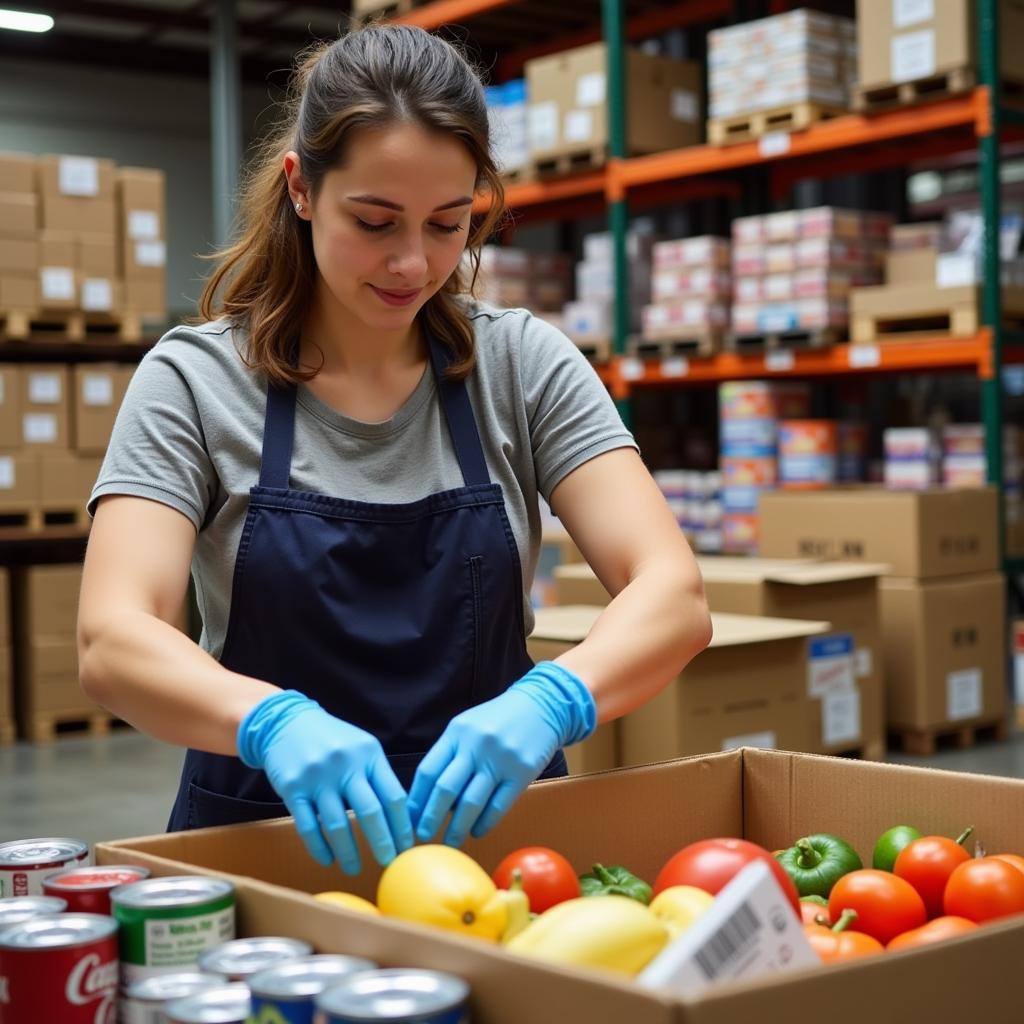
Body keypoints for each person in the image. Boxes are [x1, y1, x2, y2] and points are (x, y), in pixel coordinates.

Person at [77, 24, 712, 876]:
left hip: (497, 856)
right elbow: (113, 638)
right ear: (301, 189)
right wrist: (270, 723)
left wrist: (555, 699)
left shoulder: (521, 363)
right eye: (375, 222)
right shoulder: (195, 382)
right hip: (266, 844)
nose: (414, 263)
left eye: (449, 224)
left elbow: (672, 593)